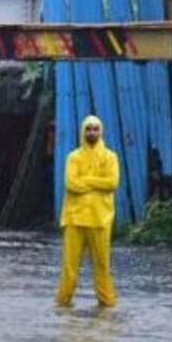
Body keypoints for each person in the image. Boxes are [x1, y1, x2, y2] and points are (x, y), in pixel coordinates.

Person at [56, 115, 119, 308]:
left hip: (100, 219)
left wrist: (87, 180)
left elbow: (112, 183)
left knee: (102, 267)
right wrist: (96, 183)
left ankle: (107, 307)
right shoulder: (73, 157)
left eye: (95, 129)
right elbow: (71, 184)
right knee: (69, 268)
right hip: (74, 219)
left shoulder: (110, 157)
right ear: (83, 131)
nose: (92, 132)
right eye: (88, 129)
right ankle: (62, 305)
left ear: (101, 131)